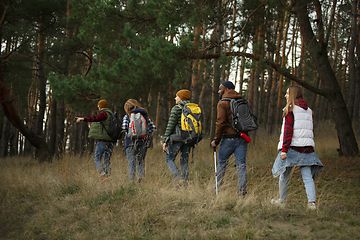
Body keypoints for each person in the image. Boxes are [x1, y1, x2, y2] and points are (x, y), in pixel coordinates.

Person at [271, 86, 323, 210]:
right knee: (307, 176)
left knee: (284, 174)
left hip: (293, 147)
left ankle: (282, 202)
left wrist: (284, 150)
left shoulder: (290, 109)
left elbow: (288, 131)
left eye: (287, 93)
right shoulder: (308, 110)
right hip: (307, 148)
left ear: (293, 95)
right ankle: (311, 203)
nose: (285, 95)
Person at [211, 81, 249, 197]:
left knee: (222, 163)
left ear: (227, 89)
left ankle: (217, 188)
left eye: (220, 88)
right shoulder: (242, 101)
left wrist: (216, 140)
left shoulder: (222, 103)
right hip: (242, 138)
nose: (218, 91)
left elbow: (220, 122)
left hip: (228, 138)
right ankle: (242, 191)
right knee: (241, 164)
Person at [75, 99, 115, 181]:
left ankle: (104, 175)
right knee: (107, 160)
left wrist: (83, 119)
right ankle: (108, 177)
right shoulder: (111, 114)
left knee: (97, 158)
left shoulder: (104, 113)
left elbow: (96, 118)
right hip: (111, 140)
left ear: (100, 106)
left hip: (103, 140)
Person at [122, 99, 156, 183]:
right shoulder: (144, 115)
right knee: (141, 162)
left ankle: (131, 182)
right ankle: (141, 179)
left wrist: (130, 133)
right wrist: (144, 133)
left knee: (131, 162)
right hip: (143, 142)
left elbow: (124, 127)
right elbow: (153, 127)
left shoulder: (127, 116)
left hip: (130, 142)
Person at [163, 89, 192, 187]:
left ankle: (178, 179)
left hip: (177, 138)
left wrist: (165, 140)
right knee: (184, 160)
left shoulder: (177, 108)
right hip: (189, 138)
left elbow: (170, 125)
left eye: (177, 96)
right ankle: (185, 183)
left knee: (169, 159)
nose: (175, 98)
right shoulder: (193, 107)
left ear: (181, 98)